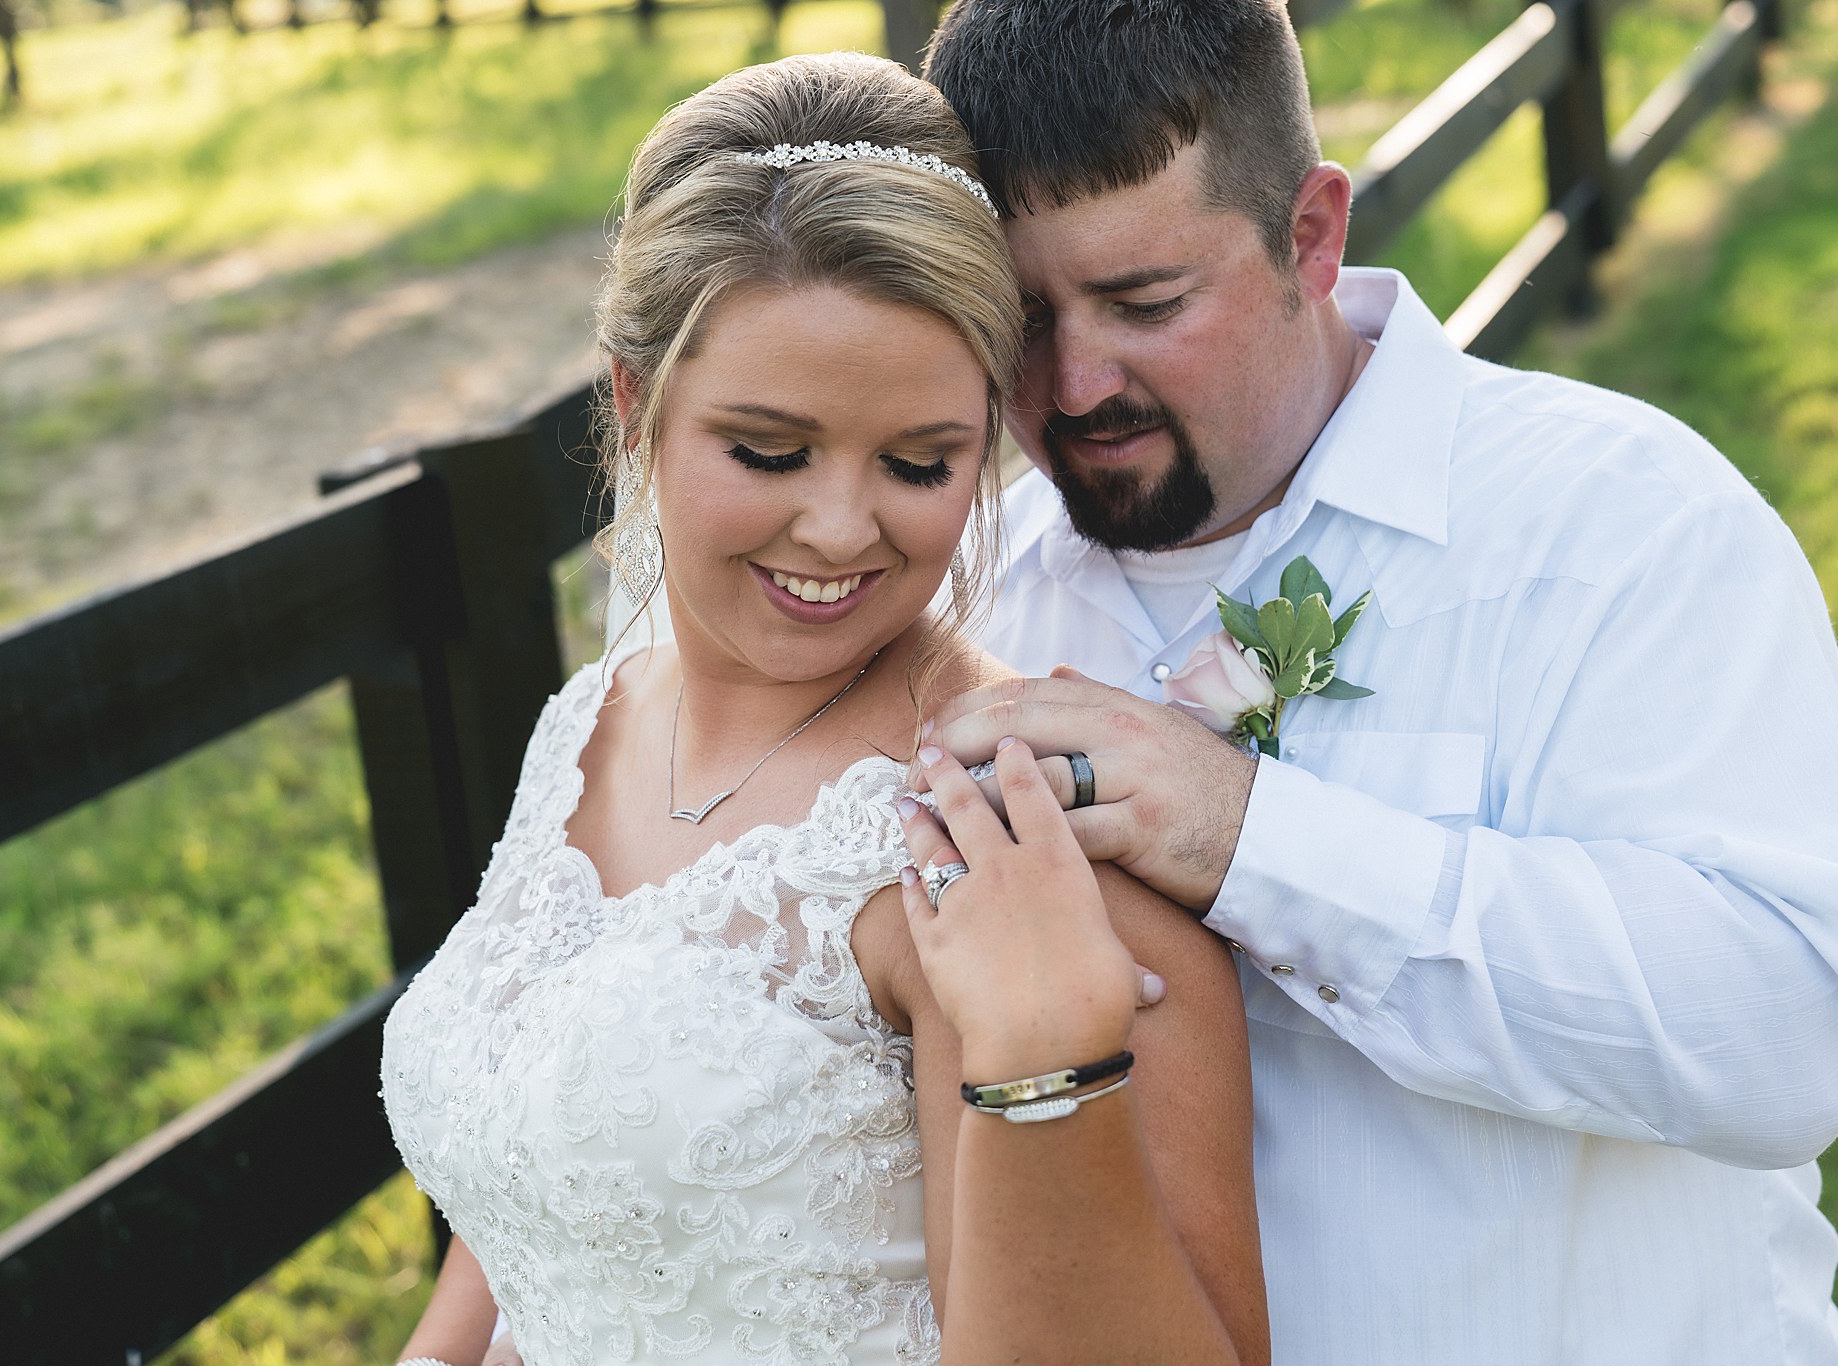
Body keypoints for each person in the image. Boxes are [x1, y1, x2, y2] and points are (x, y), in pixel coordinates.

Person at [912, 2, 1838, 1363]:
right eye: (1023, 317)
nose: (1075, 383)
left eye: (1147, 303)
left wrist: (1249, 836)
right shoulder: (972, 604)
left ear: (1312, 235)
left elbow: (1794, 1029)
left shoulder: (1622, 526)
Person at [379, 51, 1269, 1366]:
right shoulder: (592, 720)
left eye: (921, 462)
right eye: (770, 451)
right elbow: (532, 1212)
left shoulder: (1003, 821)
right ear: (636, 406)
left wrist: (1047, 1062)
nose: (842, 529)